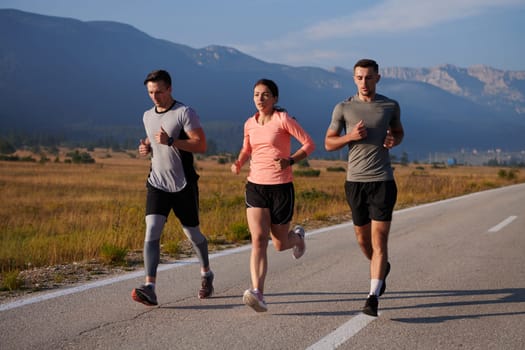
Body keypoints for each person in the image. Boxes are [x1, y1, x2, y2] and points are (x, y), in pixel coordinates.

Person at [324, 59, 404, 317]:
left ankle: (372, 297)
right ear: (353, 78)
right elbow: (328, 143)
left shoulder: (390, 105)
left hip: (382, 180)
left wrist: (394, 139)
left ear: (377, 78)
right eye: (359, 77)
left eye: (369, 77)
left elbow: (399, 132)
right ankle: (381, 270)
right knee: (363, 241)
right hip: (355, 182)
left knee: (379, 239)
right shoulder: (343, 107)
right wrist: (350, 136)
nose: (364, 82)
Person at [231, 79, 316, 312]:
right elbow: (247, 148)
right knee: (258, 239)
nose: (260, 98)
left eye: (266, 94)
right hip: (256, 186)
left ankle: (297, 238)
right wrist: (239, 162)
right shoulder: (250, 123)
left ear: (275, 98)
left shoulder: (283, 120)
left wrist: (289, 161)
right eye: (257, 94)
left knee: (279, 244)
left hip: (281, 188)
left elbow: (309, 144)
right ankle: (258, 292)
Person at [131, 69, 214, 306]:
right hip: (157, 183)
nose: (154, 97)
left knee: (192, 234)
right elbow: (152, 137)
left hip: (183, 184)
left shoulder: (184, 113)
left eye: (158, 91)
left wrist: (172, 142)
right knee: (152, 229)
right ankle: (150, 286)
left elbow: (201, 145)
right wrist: (146, 147)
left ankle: (206, 273)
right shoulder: (147, 116)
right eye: (150, 92)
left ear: (169, 89)